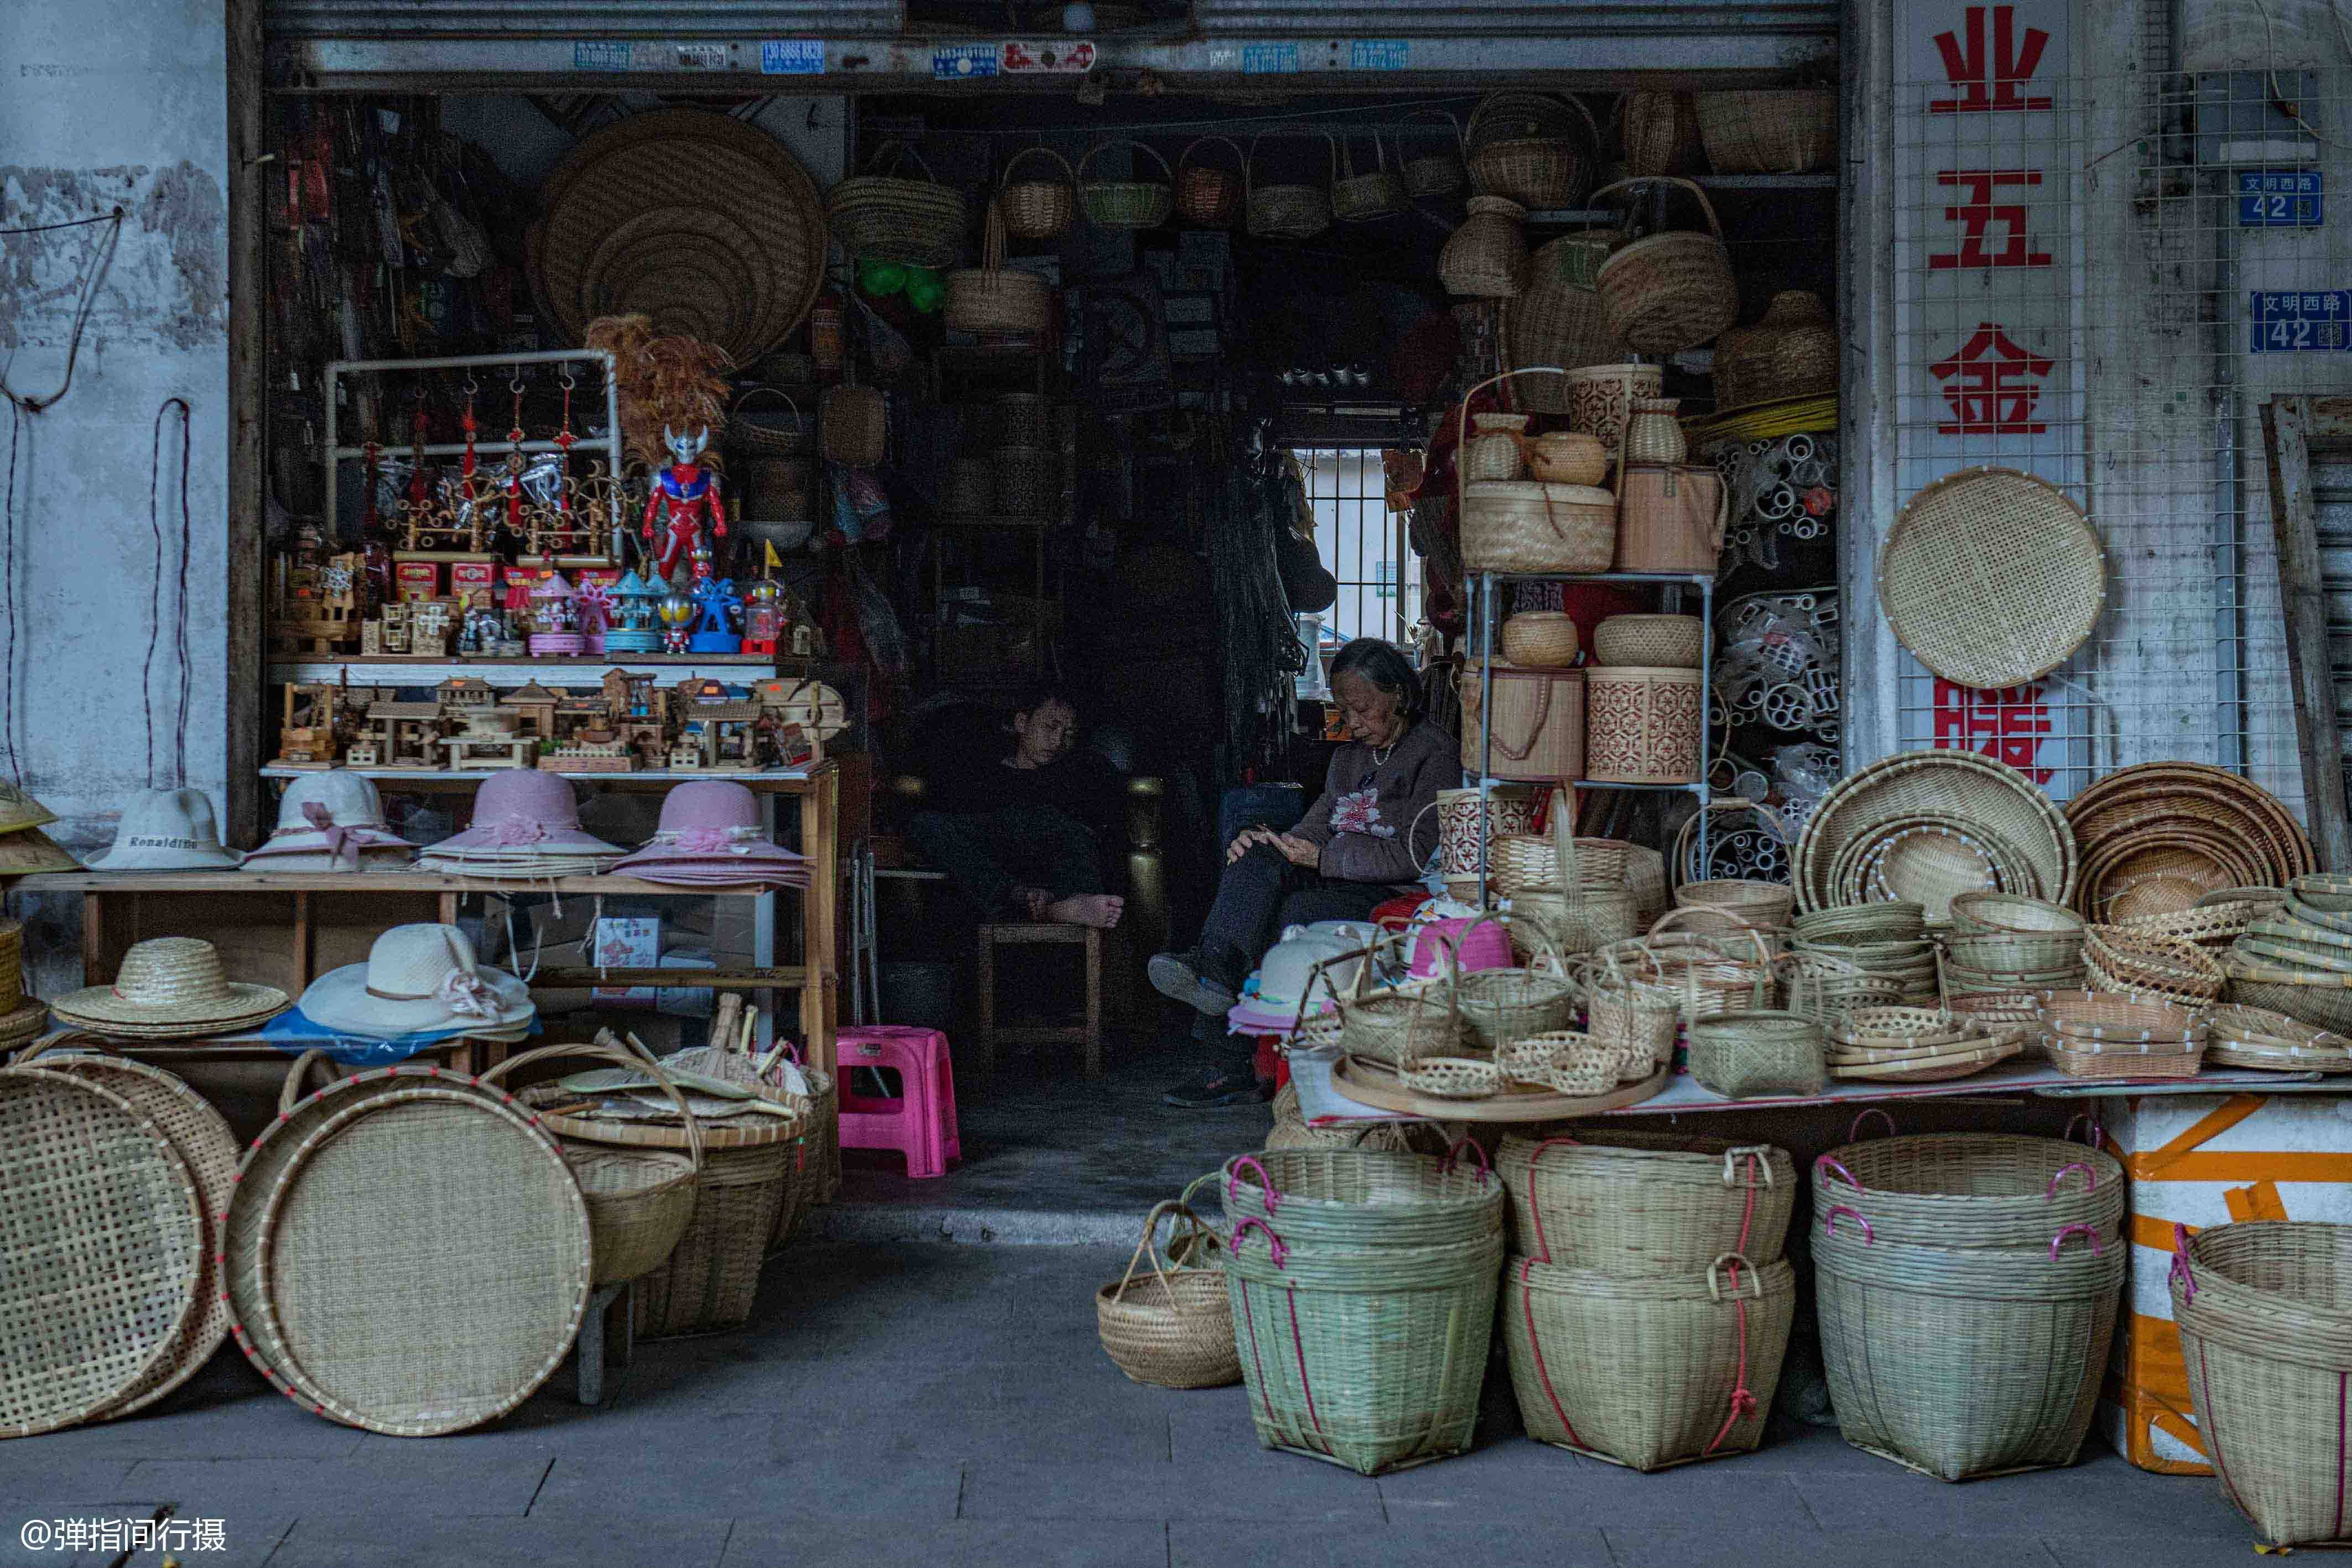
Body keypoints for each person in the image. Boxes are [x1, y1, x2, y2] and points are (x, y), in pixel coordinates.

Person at [1152, 638, 1449, 1107]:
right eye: (1343, 710)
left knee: (1289, 914)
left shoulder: (1434, 754)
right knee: (1253, 859)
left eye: (1363, 709)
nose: (1351, 723)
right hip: (1332, 873)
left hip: (1389, 889)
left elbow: (1413, 854)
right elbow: (1314, 826)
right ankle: (1211, 966)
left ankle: (1230, 1064)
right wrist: (1269, 840)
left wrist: (1320, 859)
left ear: (1399, 694)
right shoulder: (1347, 759)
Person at [905, 685, 1126, 929]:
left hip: (1052, 860)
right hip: (1001, 863)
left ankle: (1066, 904)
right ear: (1022, 723)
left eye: (1068, 733)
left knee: (1068, 828)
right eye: (1050, 727)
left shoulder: (1076, 772)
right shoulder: (985, 772)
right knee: (925, 824)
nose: (1057, 741)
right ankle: (1022, 900)